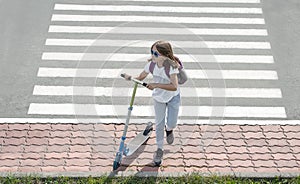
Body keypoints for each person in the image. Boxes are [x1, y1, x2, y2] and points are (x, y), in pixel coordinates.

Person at [124, 40, 181, 166]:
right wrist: (131, 77)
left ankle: (170, 129)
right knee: (159, 124)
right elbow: (141, 77)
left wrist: (156, 85)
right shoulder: (151, 65)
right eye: (152, 52)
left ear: (165, 55)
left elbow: (174, 86)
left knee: (172, 122)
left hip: (173, 97)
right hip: (159, 98)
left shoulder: (171, 67)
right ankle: (159, 149)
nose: (152, 55)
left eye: (156, 53)